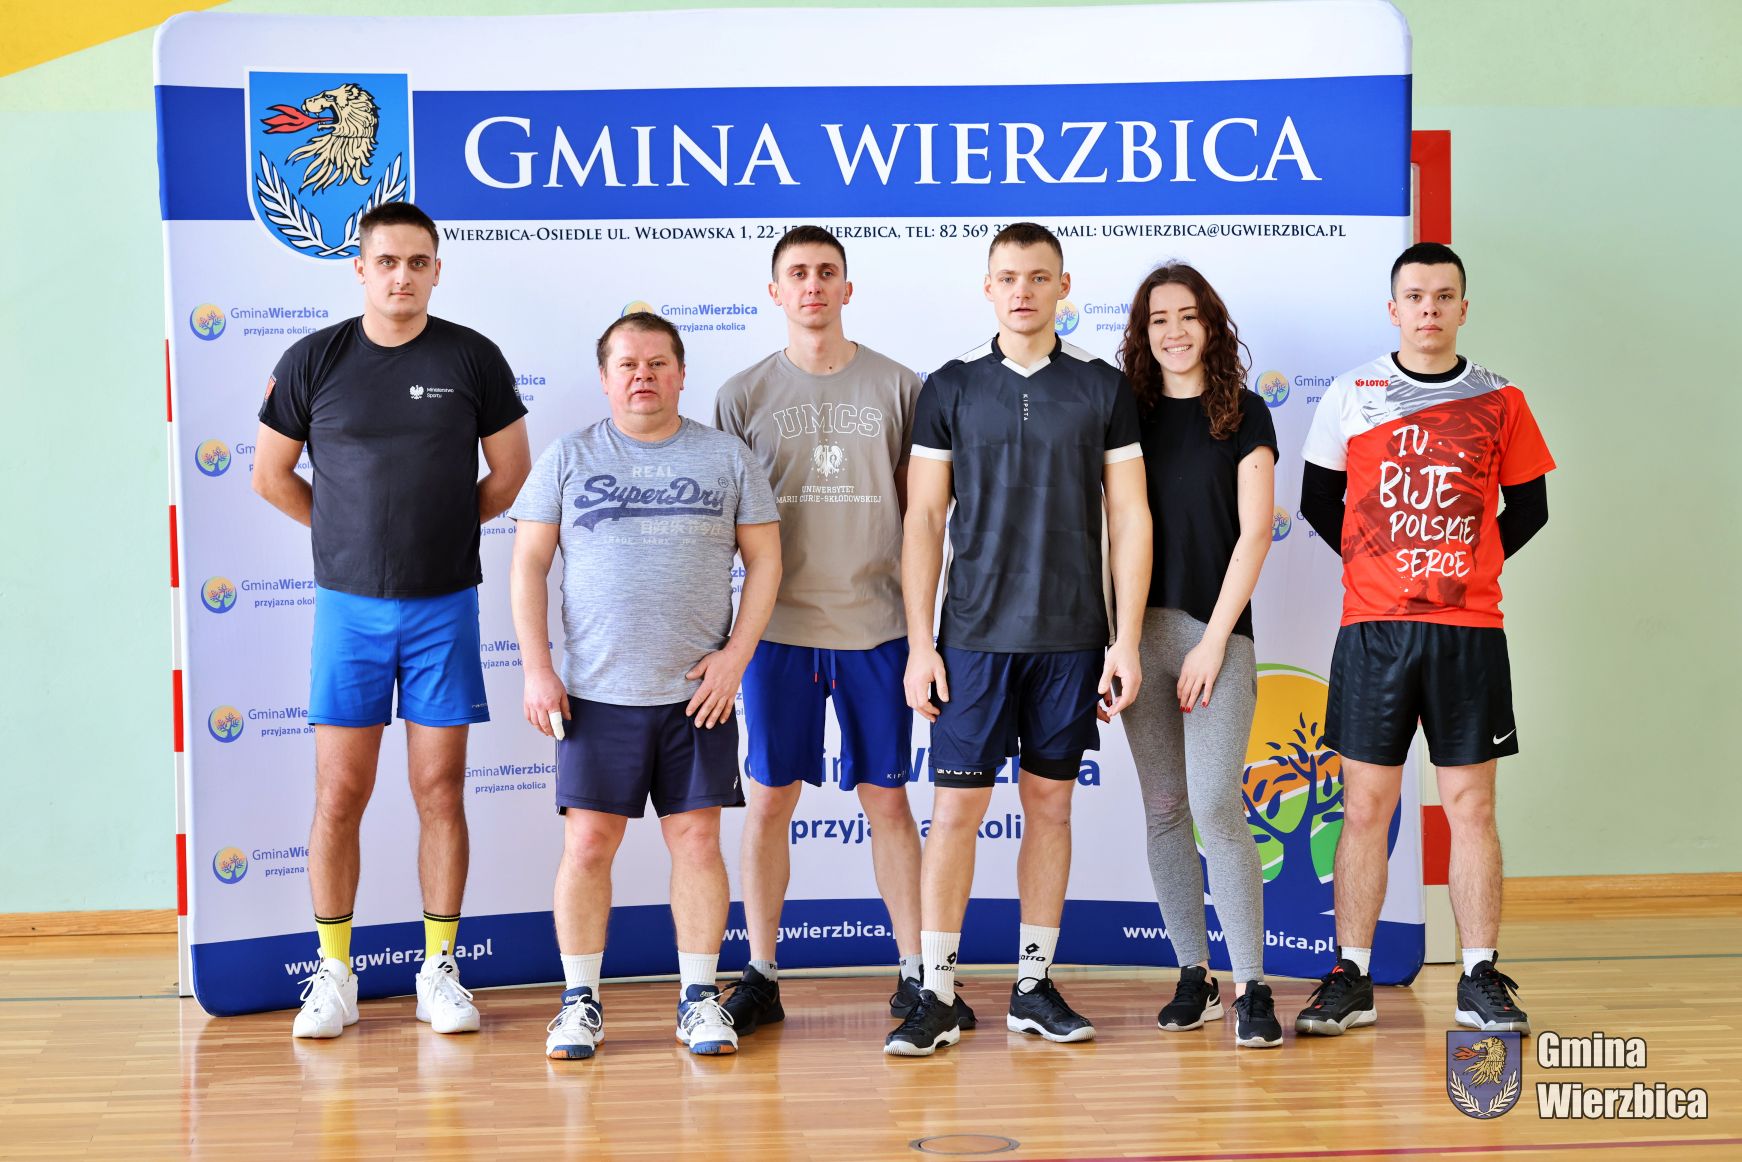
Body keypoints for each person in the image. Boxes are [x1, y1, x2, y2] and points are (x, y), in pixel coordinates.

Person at [252, 201, 531, 1040]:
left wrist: (436, 531)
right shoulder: (314, 359)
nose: (401, 276)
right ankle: (334, 973)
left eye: (417, 262)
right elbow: (271, 475)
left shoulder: (471, 356)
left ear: (437, 270)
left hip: (443, 607)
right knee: (340, 792)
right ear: (361, 269)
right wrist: (346, 536)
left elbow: (510, 471)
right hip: (349, 612)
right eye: (387, 261)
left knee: (439, 789)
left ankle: (438, 968)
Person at [886, 222, 1152, 1056]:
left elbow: (1130, 517)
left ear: (1064, 286)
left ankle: (1033, 987)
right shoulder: (951, 385)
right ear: (988, 287)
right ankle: (937, 994)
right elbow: (924, 519)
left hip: (1072, 640)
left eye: (1039, 276)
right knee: (955, 812)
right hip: (971, 640)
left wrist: (1126, 641)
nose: (1023, 290)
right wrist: (921, 644)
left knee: (1050, 808)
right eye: (1008, 277)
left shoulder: (1102, 387)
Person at [1295, 242, 1553, 1036]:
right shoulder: (1353, 393)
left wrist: (1464, 569)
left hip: (1467, 633)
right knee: (1364, 806)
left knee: (1471, 804)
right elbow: (1317, 499)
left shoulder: (1501, 398)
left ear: (1463, 308)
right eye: (1416, 296)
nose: (1430, 308)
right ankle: (1352, 976)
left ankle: (1478, 976)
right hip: (1373, 631)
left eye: (1444, 296)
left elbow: (1531, 508)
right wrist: (1379, 566)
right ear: (1394, 308)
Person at [713, 227, 966, 1032]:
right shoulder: (741, 395)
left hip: (877, 628)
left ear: (847, 289)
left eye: (827, 272)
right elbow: (726, 527)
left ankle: (917, 973)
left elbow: (923, 517)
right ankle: (760, 973)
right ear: (775, 292)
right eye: (797, 273)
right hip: (776, 631)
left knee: (887, 800)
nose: (813, 285)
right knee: (768, 801)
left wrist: (922, 632)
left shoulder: (901, 387)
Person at [509, 311, 781, 1060]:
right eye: (627, 364)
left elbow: (766, 562)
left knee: (696, 841)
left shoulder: (726, 457)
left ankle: (698, 999)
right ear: (605, 378)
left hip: (698, 696)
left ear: (681, 374)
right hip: (596, 695)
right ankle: (579, 1003)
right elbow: (528, 564)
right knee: (588, 844)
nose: (643, 376)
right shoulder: (569, 456)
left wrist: (736, 657)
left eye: (658, 363)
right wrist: (537, 668)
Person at [1115, 263, 1283, 1049]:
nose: (1174, 331)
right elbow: (1109, 531)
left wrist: (1214, 641)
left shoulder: (1244, 413)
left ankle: (1252, 984)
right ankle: (1195, 974)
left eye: (1188, 316)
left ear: (1211, 324)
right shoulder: (1127, 417)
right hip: (1137, 635)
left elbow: (1255, 533)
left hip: (1218, 635)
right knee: (1163, 808)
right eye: (1159, 320)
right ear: (1142, 334)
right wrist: (1116, 643)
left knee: (1216, 803)